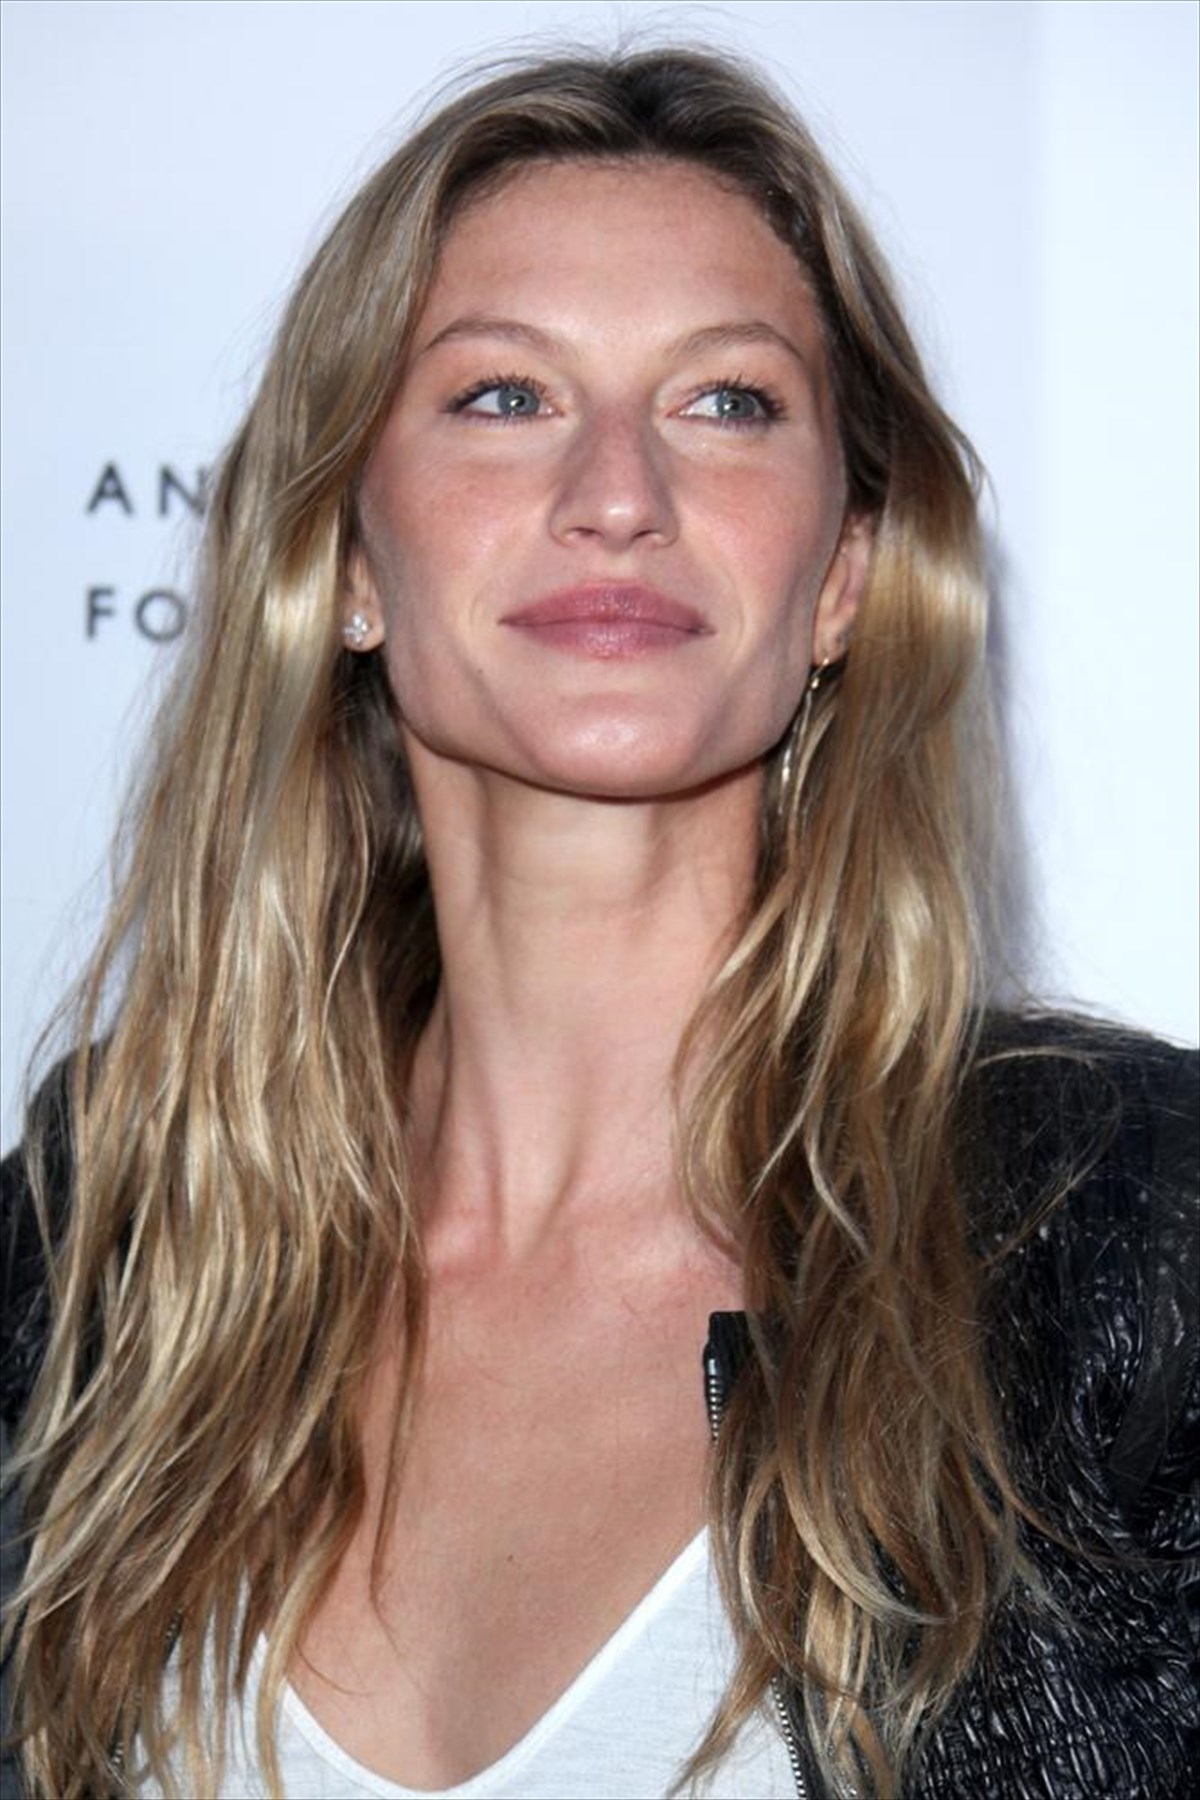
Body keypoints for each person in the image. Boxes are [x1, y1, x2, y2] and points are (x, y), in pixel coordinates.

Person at [1, 45, 1196, 1800]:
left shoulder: (1125, 1242)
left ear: (846, 576)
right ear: (345, 560)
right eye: (504, 396)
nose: (619, 491)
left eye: (727, 402)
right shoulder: (106, 1231)